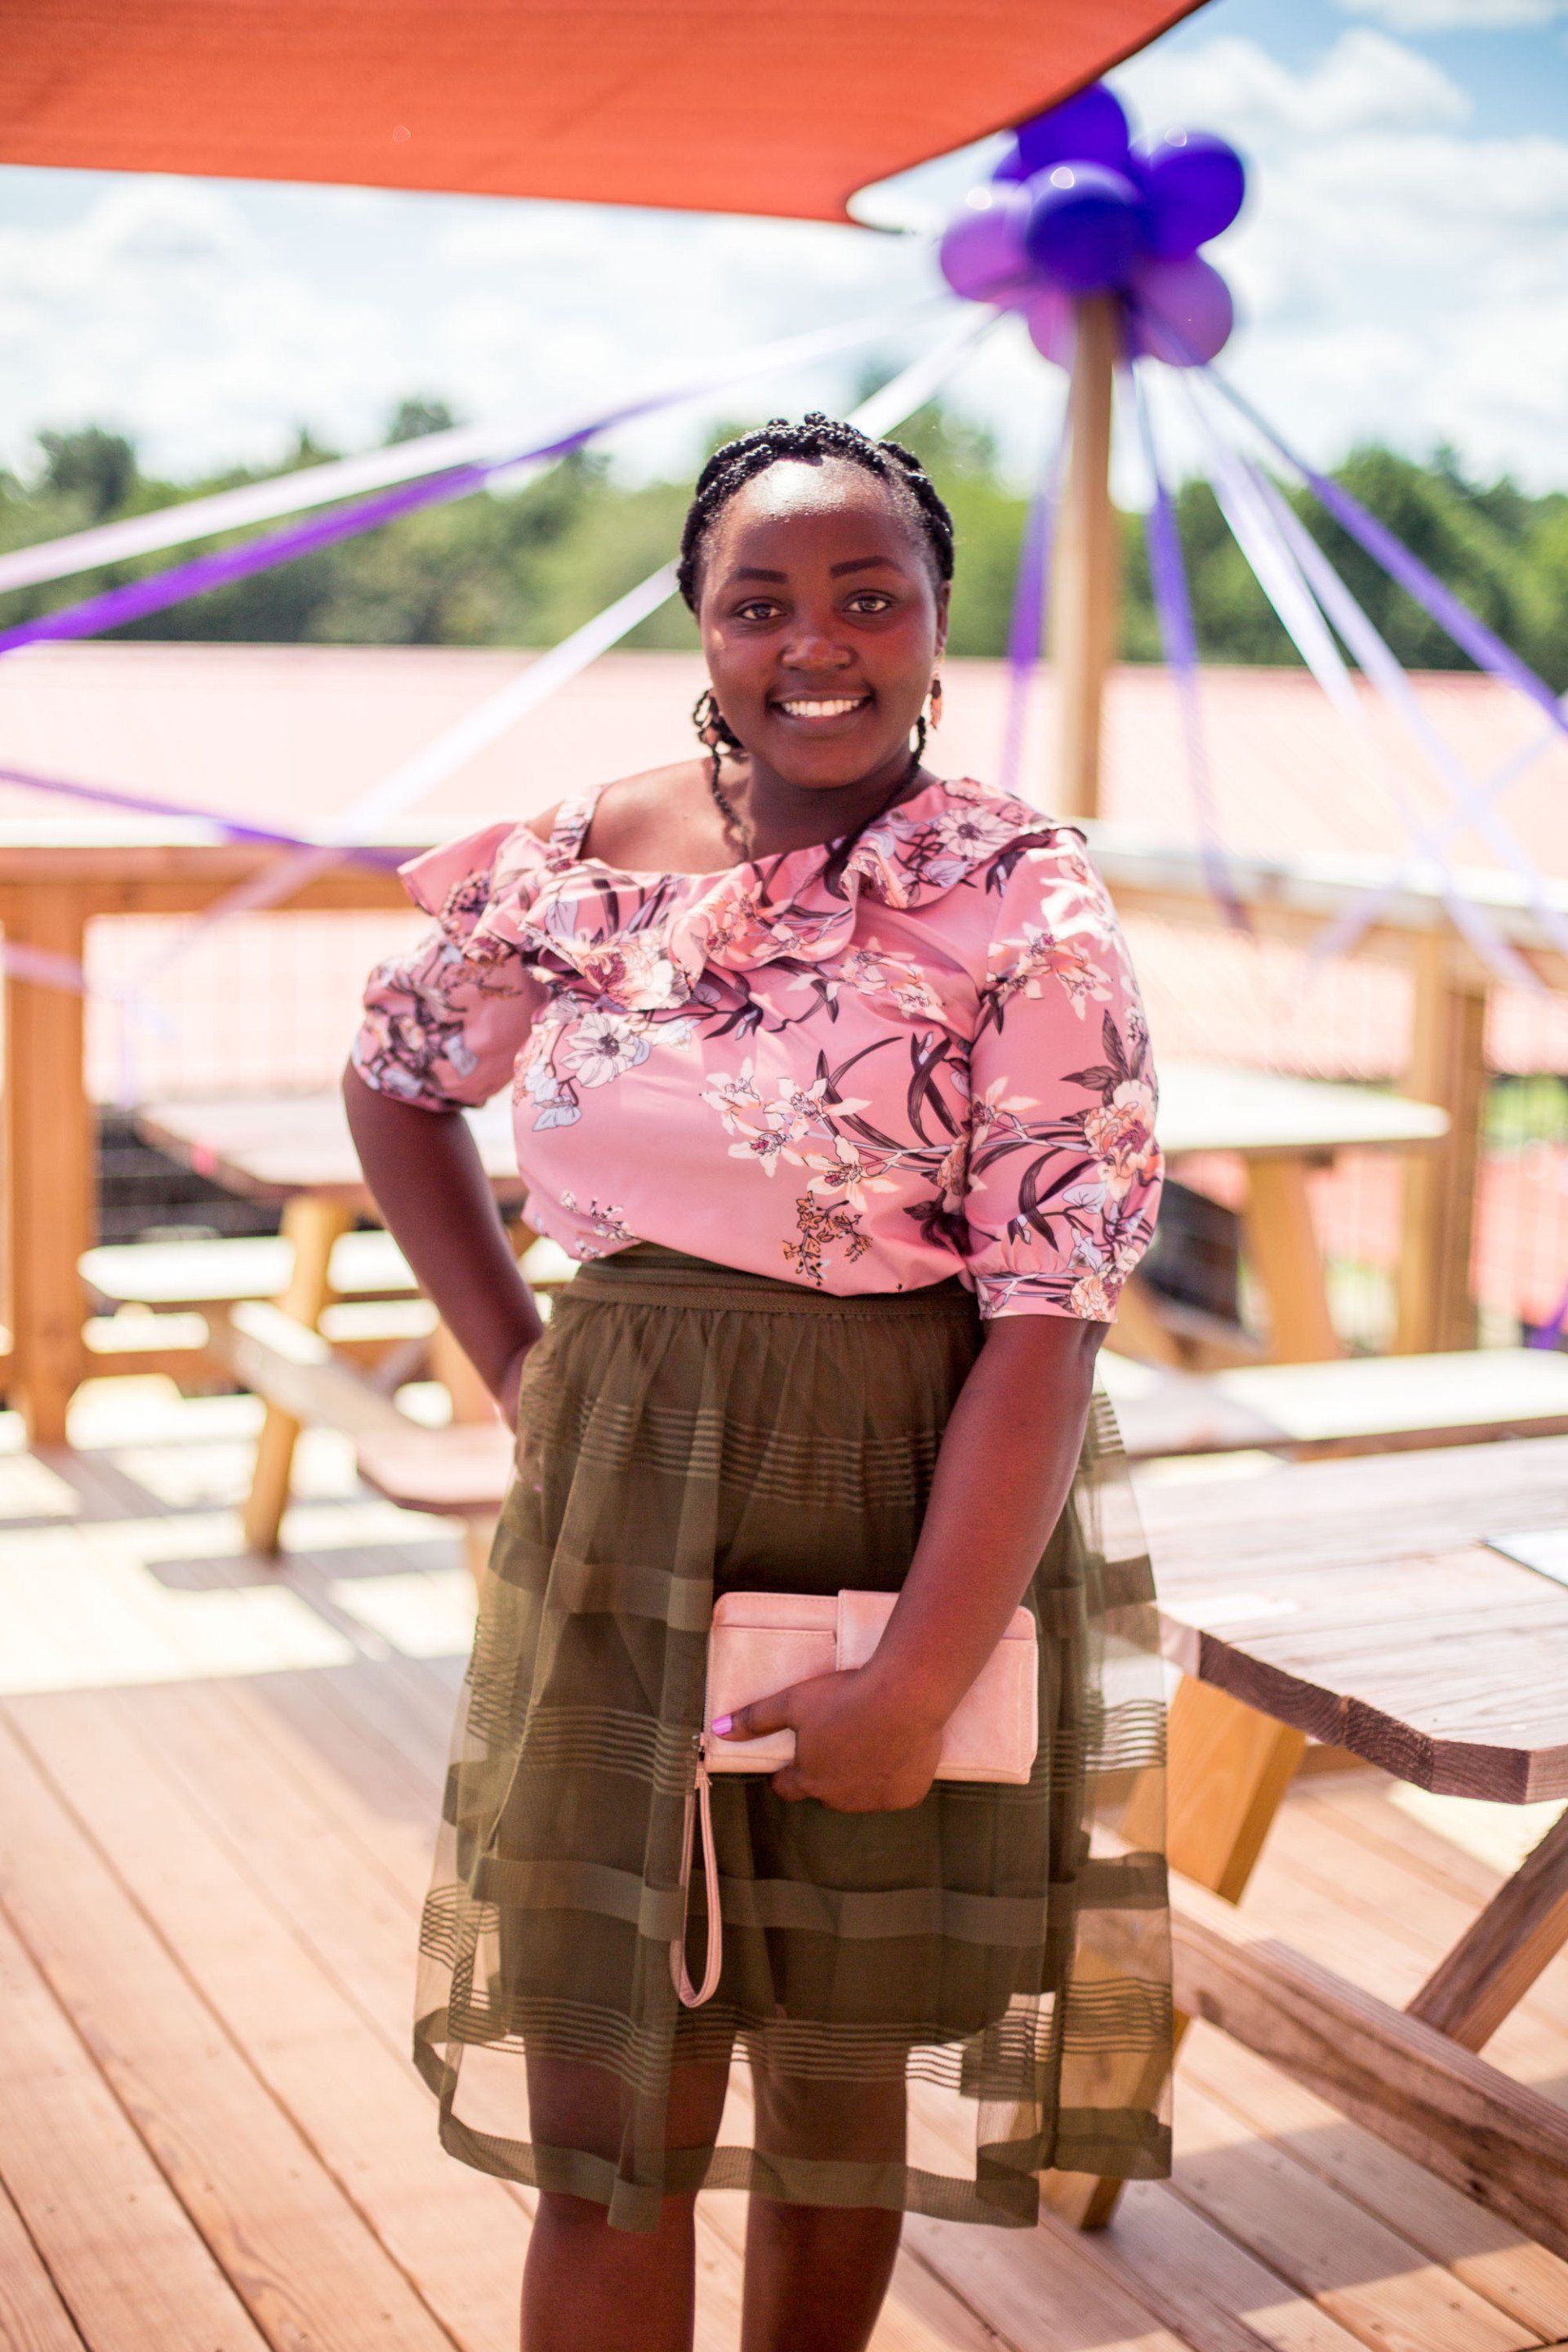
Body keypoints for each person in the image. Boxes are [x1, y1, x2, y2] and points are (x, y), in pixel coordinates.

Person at [344, 412, 1172, 2352]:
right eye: (761, 602)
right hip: (619, 1507)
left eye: (867, 594)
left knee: (830, 2087)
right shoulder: (573, 865)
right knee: (603, 2097)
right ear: (703, 631)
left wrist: (919, 1677)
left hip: (903, 1506)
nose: (819, 641)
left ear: (938, 621)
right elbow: (397, 1083)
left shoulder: (1026, 903)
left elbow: (1050, 1319)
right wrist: (524, 1370)